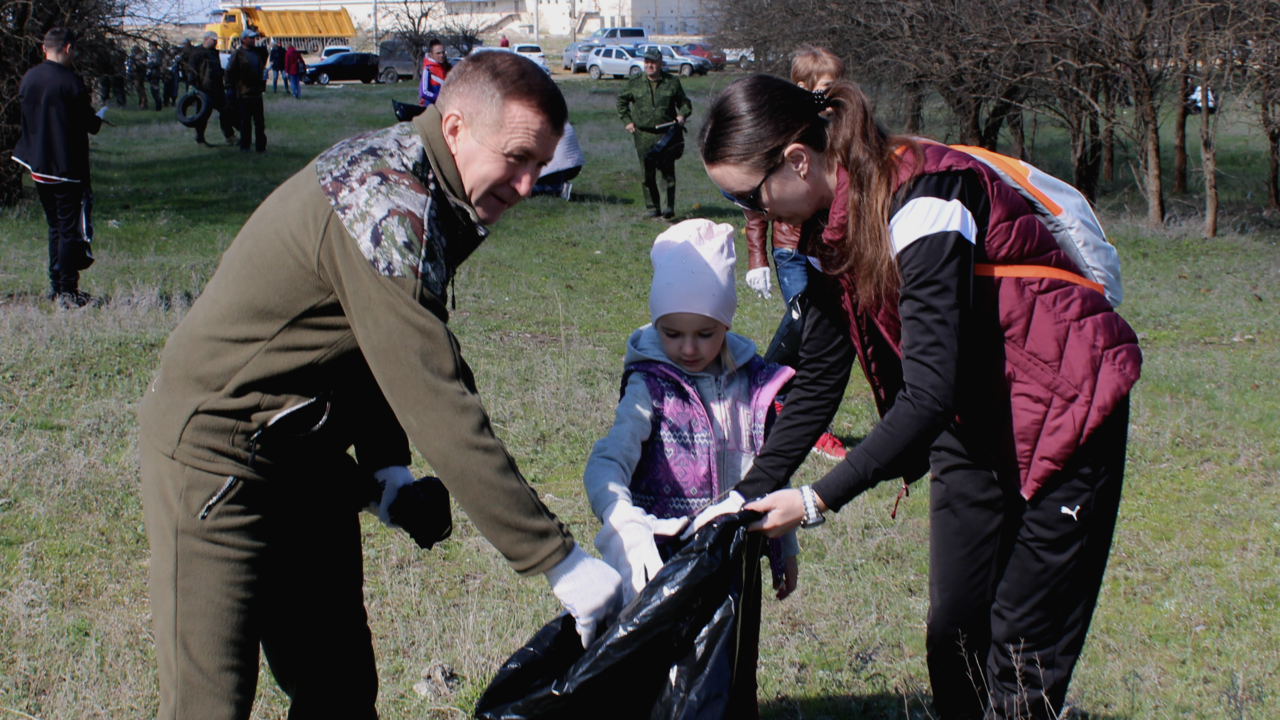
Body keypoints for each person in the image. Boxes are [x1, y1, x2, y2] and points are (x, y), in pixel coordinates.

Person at [137, 51, 622, 719]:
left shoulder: (440, 187)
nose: (526, 182)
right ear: (455, 129)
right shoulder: (387, 199)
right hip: (217, 457)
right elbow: (434, 392)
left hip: (301, 452)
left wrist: (386, 469)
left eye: (540, 165)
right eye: (515, 157)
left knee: (337, 683)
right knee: (209, 703)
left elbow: (376, 338)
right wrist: (560, 562)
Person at [699, 74, 1142, 720]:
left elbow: (928, 392)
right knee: (954, 633)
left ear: (796, 161)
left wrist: (815, 500)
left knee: (1021, 657)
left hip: (1069, 410)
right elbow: (821, 376)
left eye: (750, 199)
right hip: (977, 416)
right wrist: (742, 497)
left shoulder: (924, 197)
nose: (755, 218)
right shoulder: (829, 230)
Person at [584, 218, 799, 719]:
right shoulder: (649, 386)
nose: (687, 348)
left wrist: (782, 543)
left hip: (734, 563)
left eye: (705, 333)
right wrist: (626, 530)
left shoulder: (752, 384)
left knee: (732, 673)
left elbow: (770, 465)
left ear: (727, 321)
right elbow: (606, 464)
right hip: (662, 564)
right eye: (671, 332)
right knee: (667, 680)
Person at [743, 44, 849, 462]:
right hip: (792, 249)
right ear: (803, 87)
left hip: (831, 247)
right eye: (825, 87)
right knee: (808, 325)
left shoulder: (841, 129)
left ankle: (770, 394)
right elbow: (757, 200)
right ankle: (780, 400)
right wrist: (758, 259)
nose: (831, 95)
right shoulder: (785, 133)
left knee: (820, 329)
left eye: (837, 85)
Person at [12, 27, 104, 307]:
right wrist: (98, 119)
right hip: (65, 166)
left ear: (43, 49)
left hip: (37, 164)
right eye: (74, 50)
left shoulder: (29, 78)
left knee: (55, 226)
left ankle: (55, 285)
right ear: (67, 48)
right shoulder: (70, 82)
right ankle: (67, 291)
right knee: (67, 230)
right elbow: (89, 123)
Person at [617, 47, 690, 220]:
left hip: (666, 135)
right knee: (647, 173)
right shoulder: (635, 82)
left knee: (667, 173)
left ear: (660, 63)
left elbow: (685, 103)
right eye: (647, 62)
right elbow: (621, 101)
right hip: (642, 134)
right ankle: (653, 207)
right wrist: (627, 121)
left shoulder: (672, 82)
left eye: (653, 62)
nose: (649, 65)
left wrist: (682, 115)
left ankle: (668, 208)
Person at [188, 31, 237, 147]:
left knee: (226, 110)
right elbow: (192, 70)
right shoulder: (197, 53)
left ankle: (229, 136)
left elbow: (217, 68)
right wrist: (191, 85)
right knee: (203, 115)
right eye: (213, 40)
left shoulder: (214, 52)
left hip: (218, 88)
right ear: (206, 39)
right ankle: (200, 140)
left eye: (216, 40)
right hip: (204, 90)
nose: (215, 42)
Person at [225, 28, 268, 152]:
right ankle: (245, 146)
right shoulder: (238, 54)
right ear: (243, 39)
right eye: (250, 38)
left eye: (254, 37)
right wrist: (229, 88)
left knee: (260, 122)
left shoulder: (257, 53)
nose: (253, 40)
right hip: (244, 93)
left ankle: (261, 147)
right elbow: (229, 71)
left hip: (257, 93)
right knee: (246, 122)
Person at [531, 121, 583, 199]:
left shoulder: (543, 124)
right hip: (575, 165)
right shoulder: (560, 120)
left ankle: (559, 188)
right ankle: (557, 186)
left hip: (563, 167)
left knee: (524, 186)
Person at [418, 38, 449, 107]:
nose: (442, 55)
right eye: (438, 53)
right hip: (432, 109)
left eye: (443, 52)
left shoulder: (446, 67)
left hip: (445, 106)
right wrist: (439, 97)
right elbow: (423, 92)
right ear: (431, 54)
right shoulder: (428, 70)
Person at [146, 43, 165, 112]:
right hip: (152, 74)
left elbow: (157, 63)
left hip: (156, 74)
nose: (150, 47)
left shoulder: (158, 54)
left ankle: (158, 107)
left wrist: (151, 64)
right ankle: (158, 106)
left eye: (151, 46)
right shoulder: (151, 54)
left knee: (155, 90)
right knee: (153, 91)